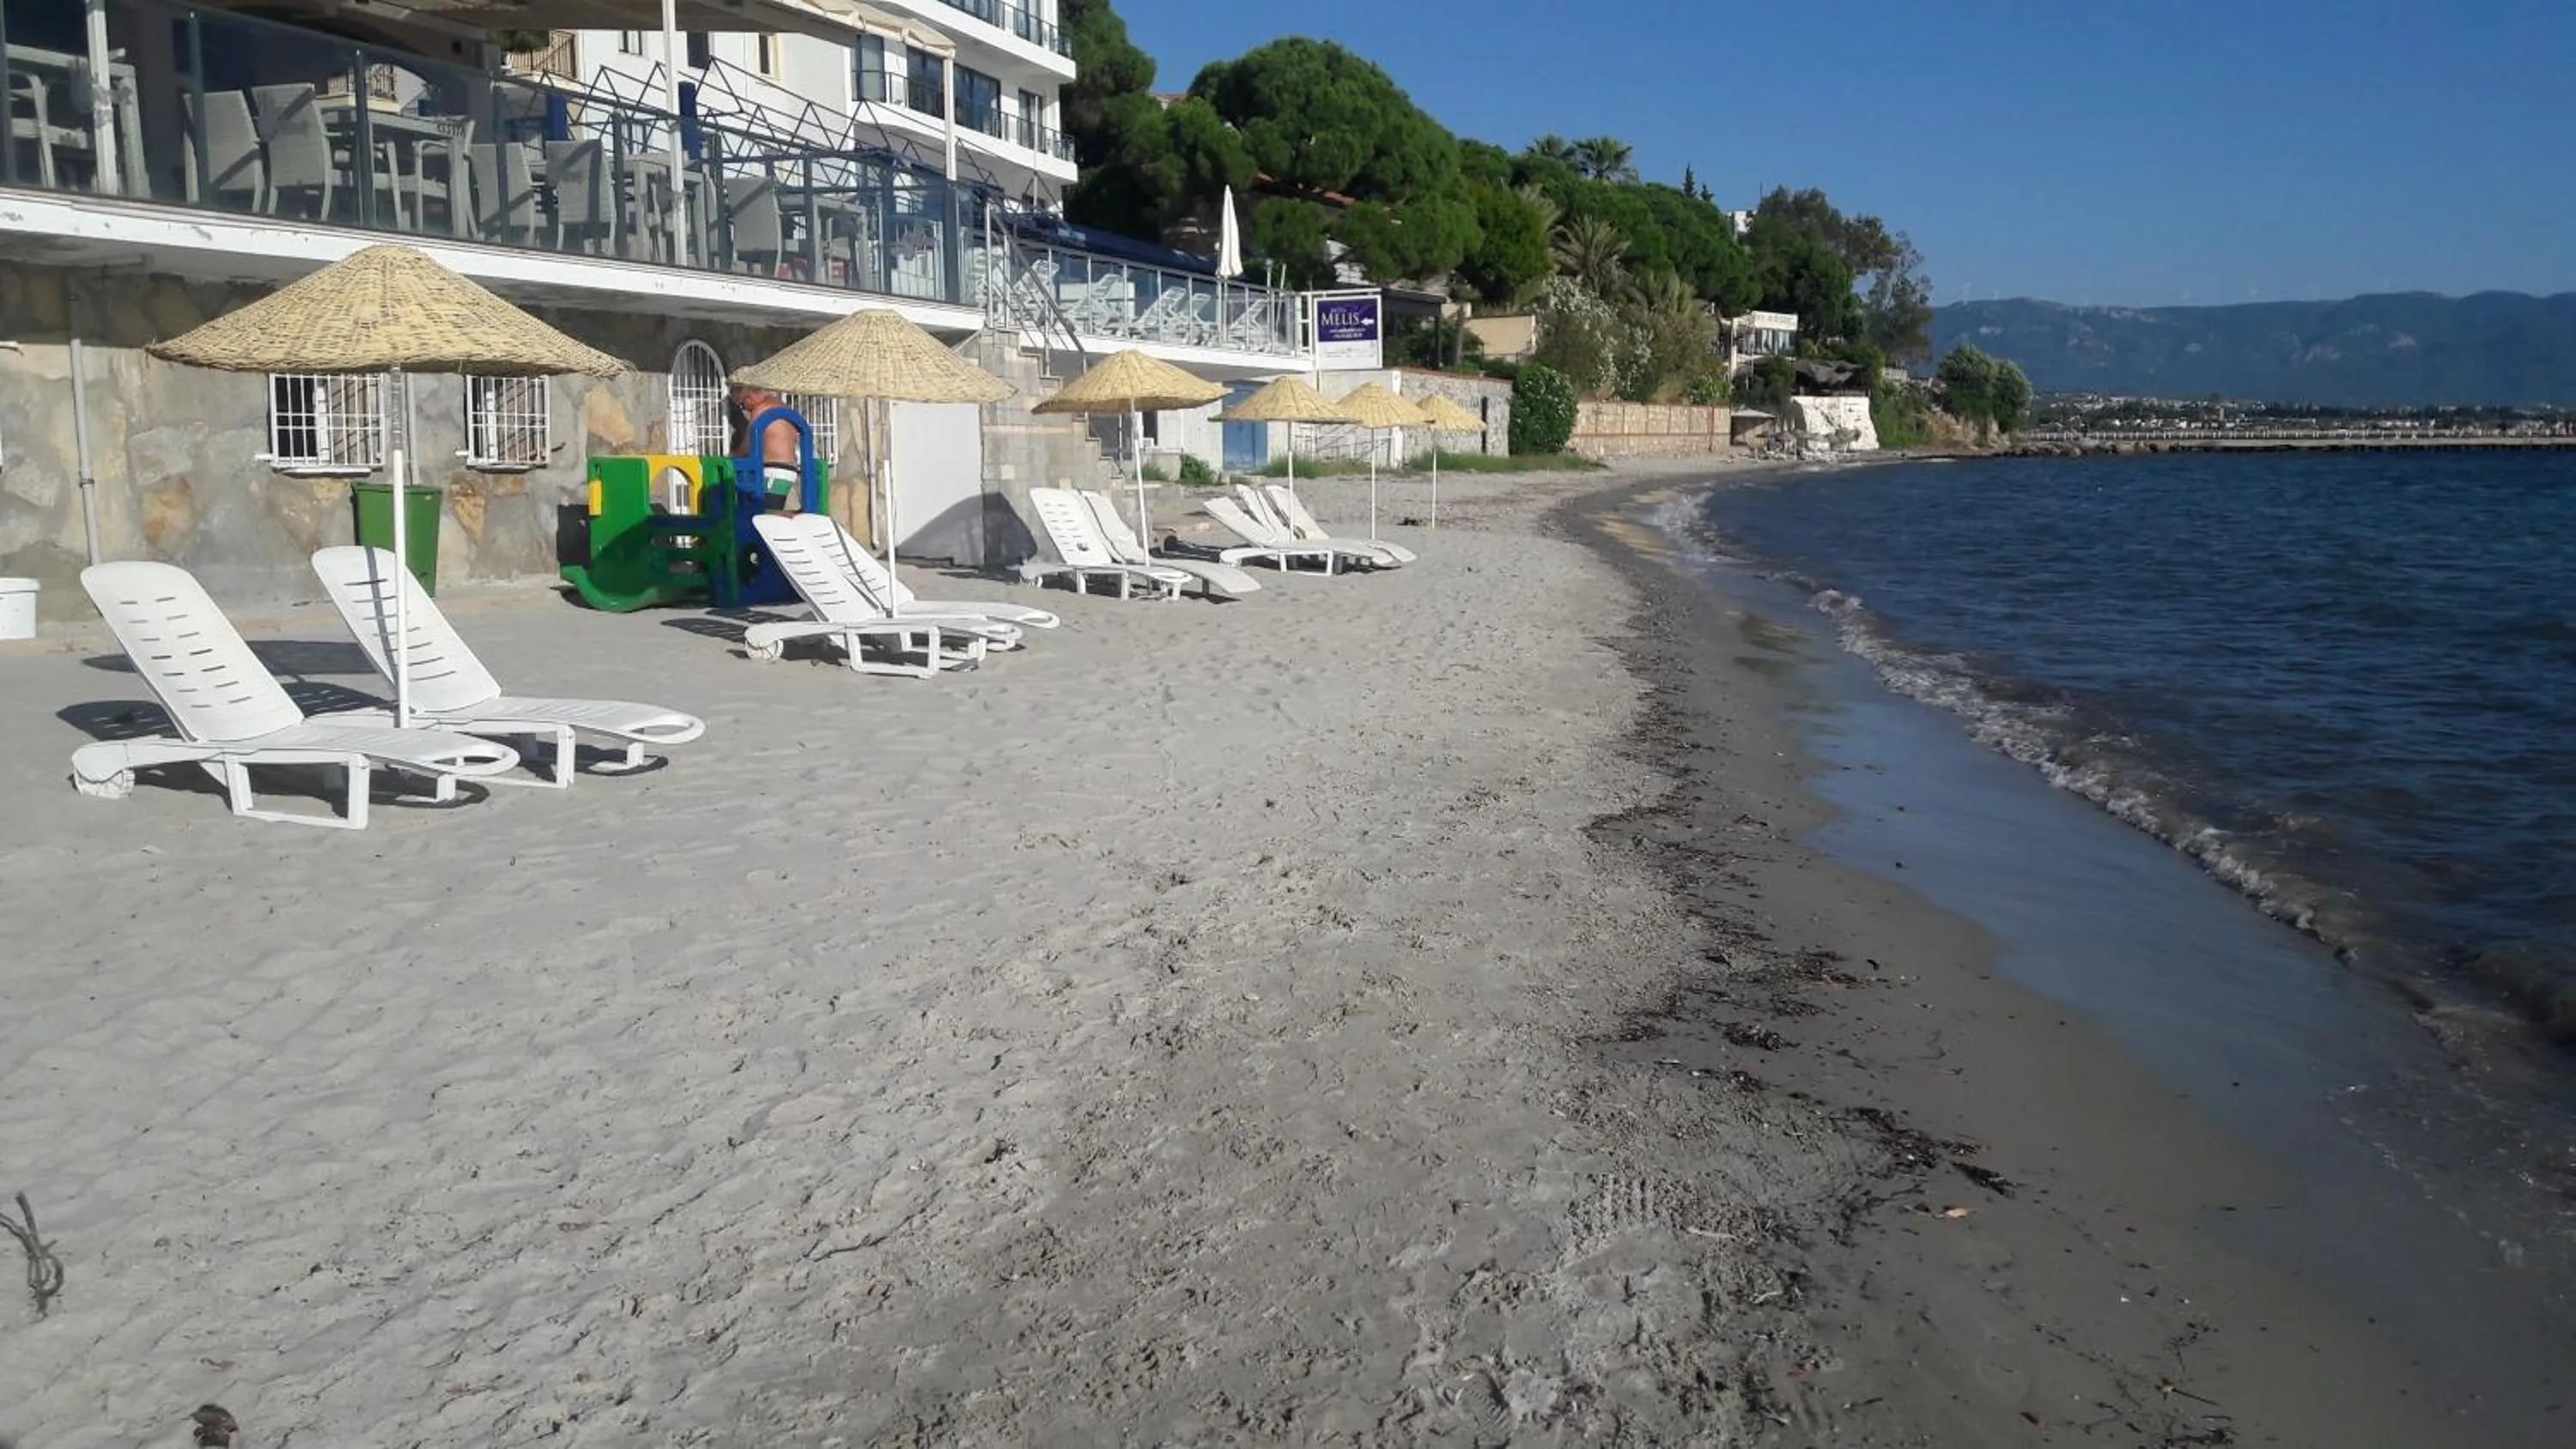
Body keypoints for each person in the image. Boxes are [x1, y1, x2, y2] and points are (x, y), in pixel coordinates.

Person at [730, 385, 805, 512]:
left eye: (742, 405)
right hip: (789, 469)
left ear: (749, 398)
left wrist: (730, 457)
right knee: (772, 513)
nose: (744, 410)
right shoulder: (782, 406)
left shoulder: (760, 411)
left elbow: (748, 446)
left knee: (765, 517)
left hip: (773, 471)